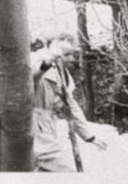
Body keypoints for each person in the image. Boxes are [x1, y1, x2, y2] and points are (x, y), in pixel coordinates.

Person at [31, 37, 106, 172]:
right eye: (67, 54)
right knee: (66, 173)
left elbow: (71, 105)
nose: (71, 59)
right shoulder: (36, 60)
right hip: (34, 126)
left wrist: (89, 136)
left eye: (72, 54)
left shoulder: (62, 73)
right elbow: (29, 78)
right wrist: (48, 61)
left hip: (47, 125)